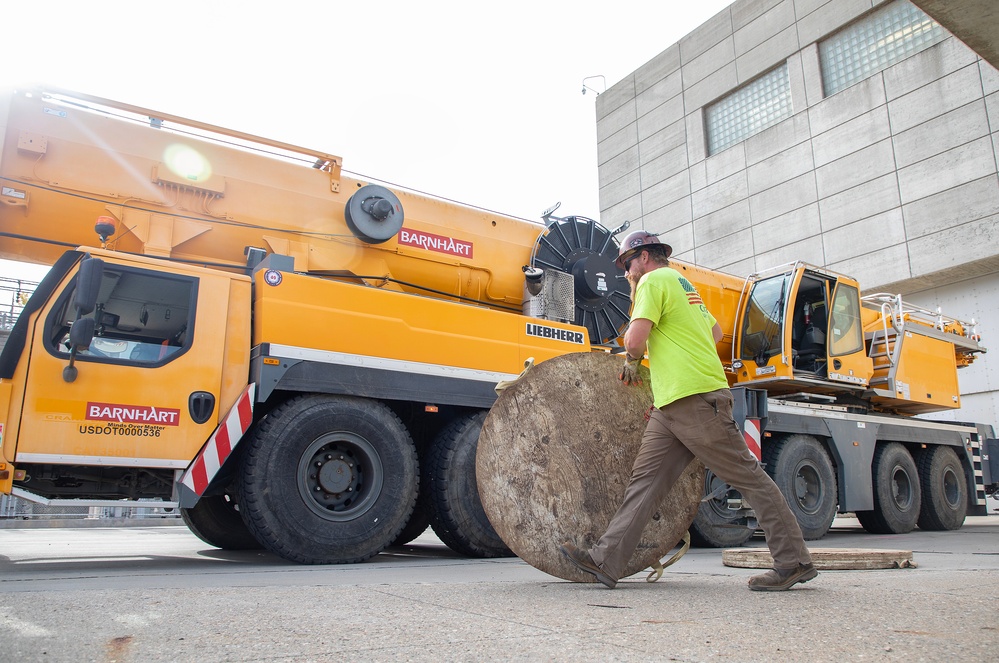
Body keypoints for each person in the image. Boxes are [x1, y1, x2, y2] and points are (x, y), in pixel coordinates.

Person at [560, 230, 816, 592]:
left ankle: (794, 561)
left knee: (748, 478)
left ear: (644, 257)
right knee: (645, 484)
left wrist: (633, 360)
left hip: (696, 399)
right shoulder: (684, 285)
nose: (627, 272)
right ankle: (606, 561)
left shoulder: (652, 281)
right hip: (672, 405)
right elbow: (714, 331)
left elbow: (633, 340)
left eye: (628, 264)